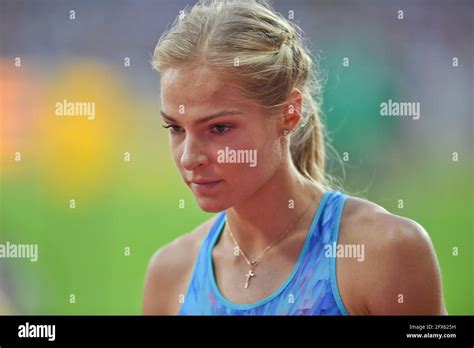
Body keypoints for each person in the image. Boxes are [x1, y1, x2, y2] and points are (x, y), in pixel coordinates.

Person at [143, 0, 446, 315]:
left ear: (289, 113)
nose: (190, 158)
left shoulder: (385, 252)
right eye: (175, 128)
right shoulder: (171, 273)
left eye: (218, 128)